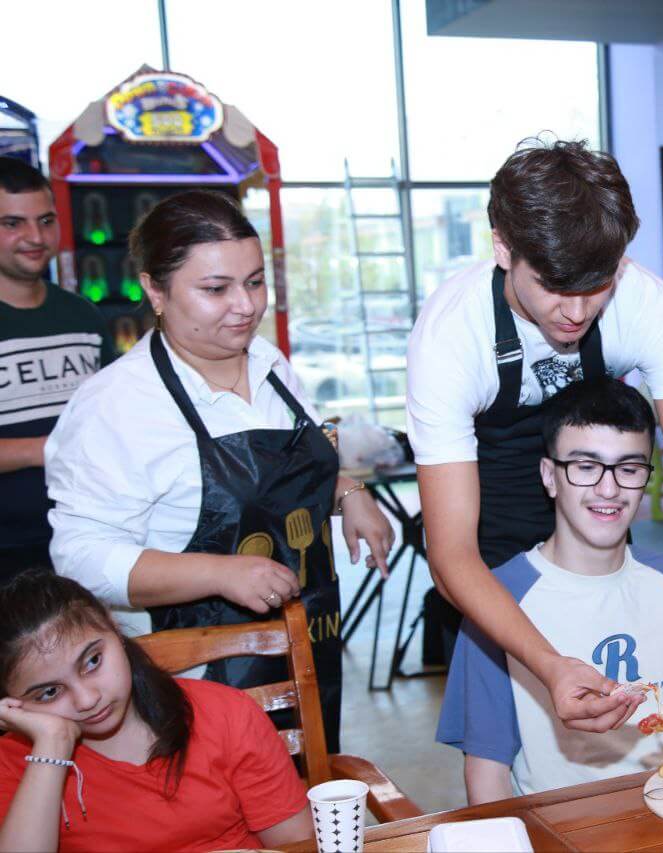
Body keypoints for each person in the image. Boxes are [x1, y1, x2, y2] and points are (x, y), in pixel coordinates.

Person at [408, 140, 663, 733]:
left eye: (597, 284)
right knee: (506, 732)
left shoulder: (649, 306)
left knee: (644, 700)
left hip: (591, 493)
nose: (576, 311)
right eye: (554, 286)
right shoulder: (450, 338)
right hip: (489, 514)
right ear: (503, 247)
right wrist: (548, 665)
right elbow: (451, 555)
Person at [43, 191, 393, 750]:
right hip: (191, 672)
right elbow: (80, 557)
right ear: (155, 290)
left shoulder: (271, 365)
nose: (245, 306)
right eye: (215, 289)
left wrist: (346, 491)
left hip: (304, 647)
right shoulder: (117, 405)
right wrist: (219, 573)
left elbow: (283, 480)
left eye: (255, 282)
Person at [436, 378, 663, 803]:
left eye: (629, 469)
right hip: (560, 828)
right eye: (586, 467)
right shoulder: (496, 600)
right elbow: (487, 778)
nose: (609, 489)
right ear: (550, 476)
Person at [0, 572, 311, 853]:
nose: (87, 699)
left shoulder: (225, 713)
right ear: (12, 702)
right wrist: (52, 747)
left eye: (93, 661)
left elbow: (297, 844)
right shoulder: (12, 763)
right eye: (49, 693)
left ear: (114, 626)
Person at [0, 159, 112, 582]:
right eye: (13, 223)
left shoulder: (82, 314)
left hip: (84, 534)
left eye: (46, 221)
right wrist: (50, 448)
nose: (35, 237)